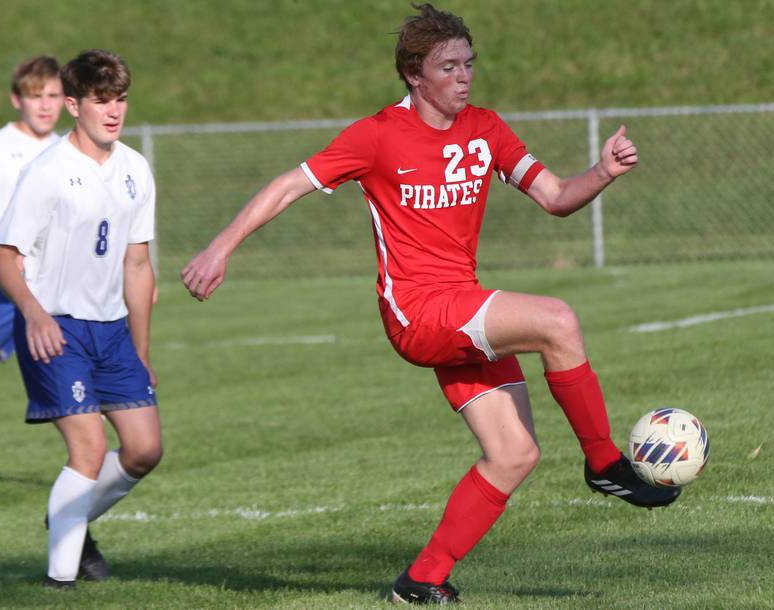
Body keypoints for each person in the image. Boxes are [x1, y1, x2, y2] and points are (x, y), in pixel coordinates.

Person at [182, 4, 680, 604]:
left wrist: (601, 171)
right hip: (418, 313)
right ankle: (604, 463)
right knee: (557, 320)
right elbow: (289, 184)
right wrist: (220, 247)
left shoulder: (487, 128)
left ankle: (421, 580)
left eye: (469, 63)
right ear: (414, 74)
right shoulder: (376, 136)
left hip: (462, 310)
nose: (463, 76)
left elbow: (554, 196)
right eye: (449, 66)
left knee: (514, 454)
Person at [0, 49, 161, 589]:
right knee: (86, 448)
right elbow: (1, 254)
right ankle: (59, 582)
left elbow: (137, 265)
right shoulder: (50, 172)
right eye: (100, 101)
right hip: (56, 327)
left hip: (111, 331)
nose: (113, 111)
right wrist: (34, 314)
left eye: (120, 100)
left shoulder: (135, 168)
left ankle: (68, 517)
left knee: (144, 450)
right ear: (73, 105)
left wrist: (142, 351)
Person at [0, 56, 63, 383]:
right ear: (17, 99)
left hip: (50, 289)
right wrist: (10, 254)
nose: (45, 106)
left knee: (75, 385)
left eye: (53, 96)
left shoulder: (66, 151)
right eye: (35, 96)